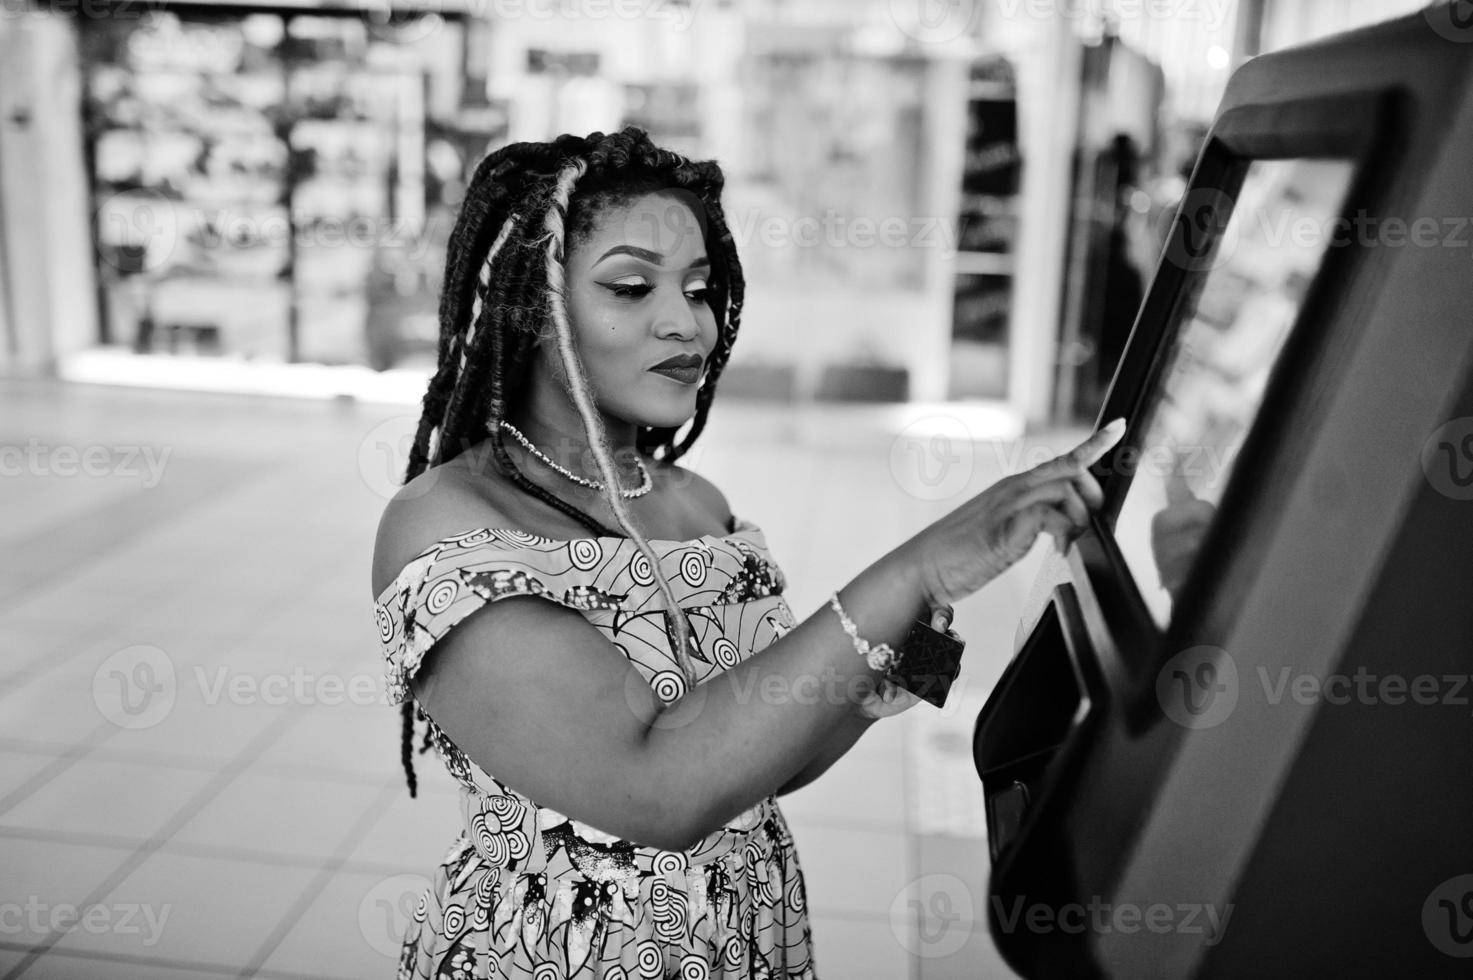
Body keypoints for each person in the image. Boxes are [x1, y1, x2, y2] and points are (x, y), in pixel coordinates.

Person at [370, 127, 1125, 980]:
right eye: (629, 286)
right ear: (528, 307)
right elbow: (659, 794)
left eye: (699, 289)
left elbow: (774, 762)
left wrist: (934, 620)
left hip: (747, 941)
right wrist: (909, 569)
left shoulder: (695, 503)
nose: (683, 319)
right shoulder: (447, 524)